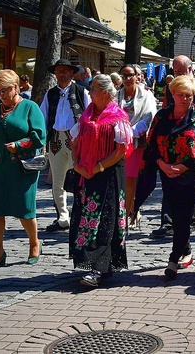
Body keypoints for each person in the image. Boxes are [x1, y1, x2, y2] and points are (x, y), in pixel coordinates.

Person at [136, 75, 195, 280]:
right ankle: (186, 251)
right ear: (172, 94)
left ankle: (173, 259)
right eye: (180, 95)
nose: (185, 99)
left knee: (183, 218)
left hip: (188, 175)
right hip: (166, 173)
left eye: (189, 95)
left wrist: (183, 166)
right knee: (177, 217)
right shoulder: (162, 116)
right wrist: (162, 164)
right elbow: (151, 144)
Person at [0, 70, 46, 269]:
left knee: (24, 209)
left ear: (16, 87)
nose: (1, 95)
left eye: (5, 90)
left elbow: (40, 135)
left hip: (22, 166)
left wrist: (20, 144)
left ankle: (34, 243)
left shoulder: (30, 107)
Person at [69, 74, 133, 287]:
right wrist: (77, 165)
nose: (89, 92)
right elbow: (75, 142)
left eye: (93, 89)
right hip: (86, 175)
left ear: (105, 93)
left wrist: (97, 167)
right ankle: (94, 264)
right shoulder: (86, 115)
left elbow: (120, 151)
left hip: (109, 174)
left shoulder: (117, 117)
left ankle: (99, 268)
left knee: (105, 220)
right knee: (87, 218)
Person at [156, 55, 195, 233]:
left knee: (190, 182)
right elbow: (167, 111)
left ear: (190, 69)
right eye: (175, 71)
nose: (177, 74)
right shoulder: (172, 88)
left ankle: (189, 221)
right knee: (169, 181)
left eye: (180, 71)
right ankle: (167, 222)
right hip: (172, 143)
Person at [40, 59, 91, 233]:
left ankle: (80, 215)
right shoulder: (50, 94)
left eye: (65, 71)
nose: (61, 74)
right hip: (55, 139)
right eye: (58, 71)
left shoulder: (82, 91)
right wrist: (41, 139)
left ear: (71, 73)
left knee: (78, 179)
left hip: (76, 140)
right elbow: (42, 116)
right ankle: (62, 217)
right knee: (58, 180)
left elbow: (89, 115)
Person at [117, 64, 158, 228]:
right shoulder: (116, 95)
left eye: (130, 75)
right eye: (124, 76)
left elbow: (149, 116)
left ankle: (127, 215)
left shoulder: (146, 95)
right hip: (118, 141)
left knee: (130, 178)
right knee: (121, 179)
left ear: (136, 76)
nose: (127, 79)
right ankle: (130, 211)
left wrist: (132, 131)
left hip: (137, 142)